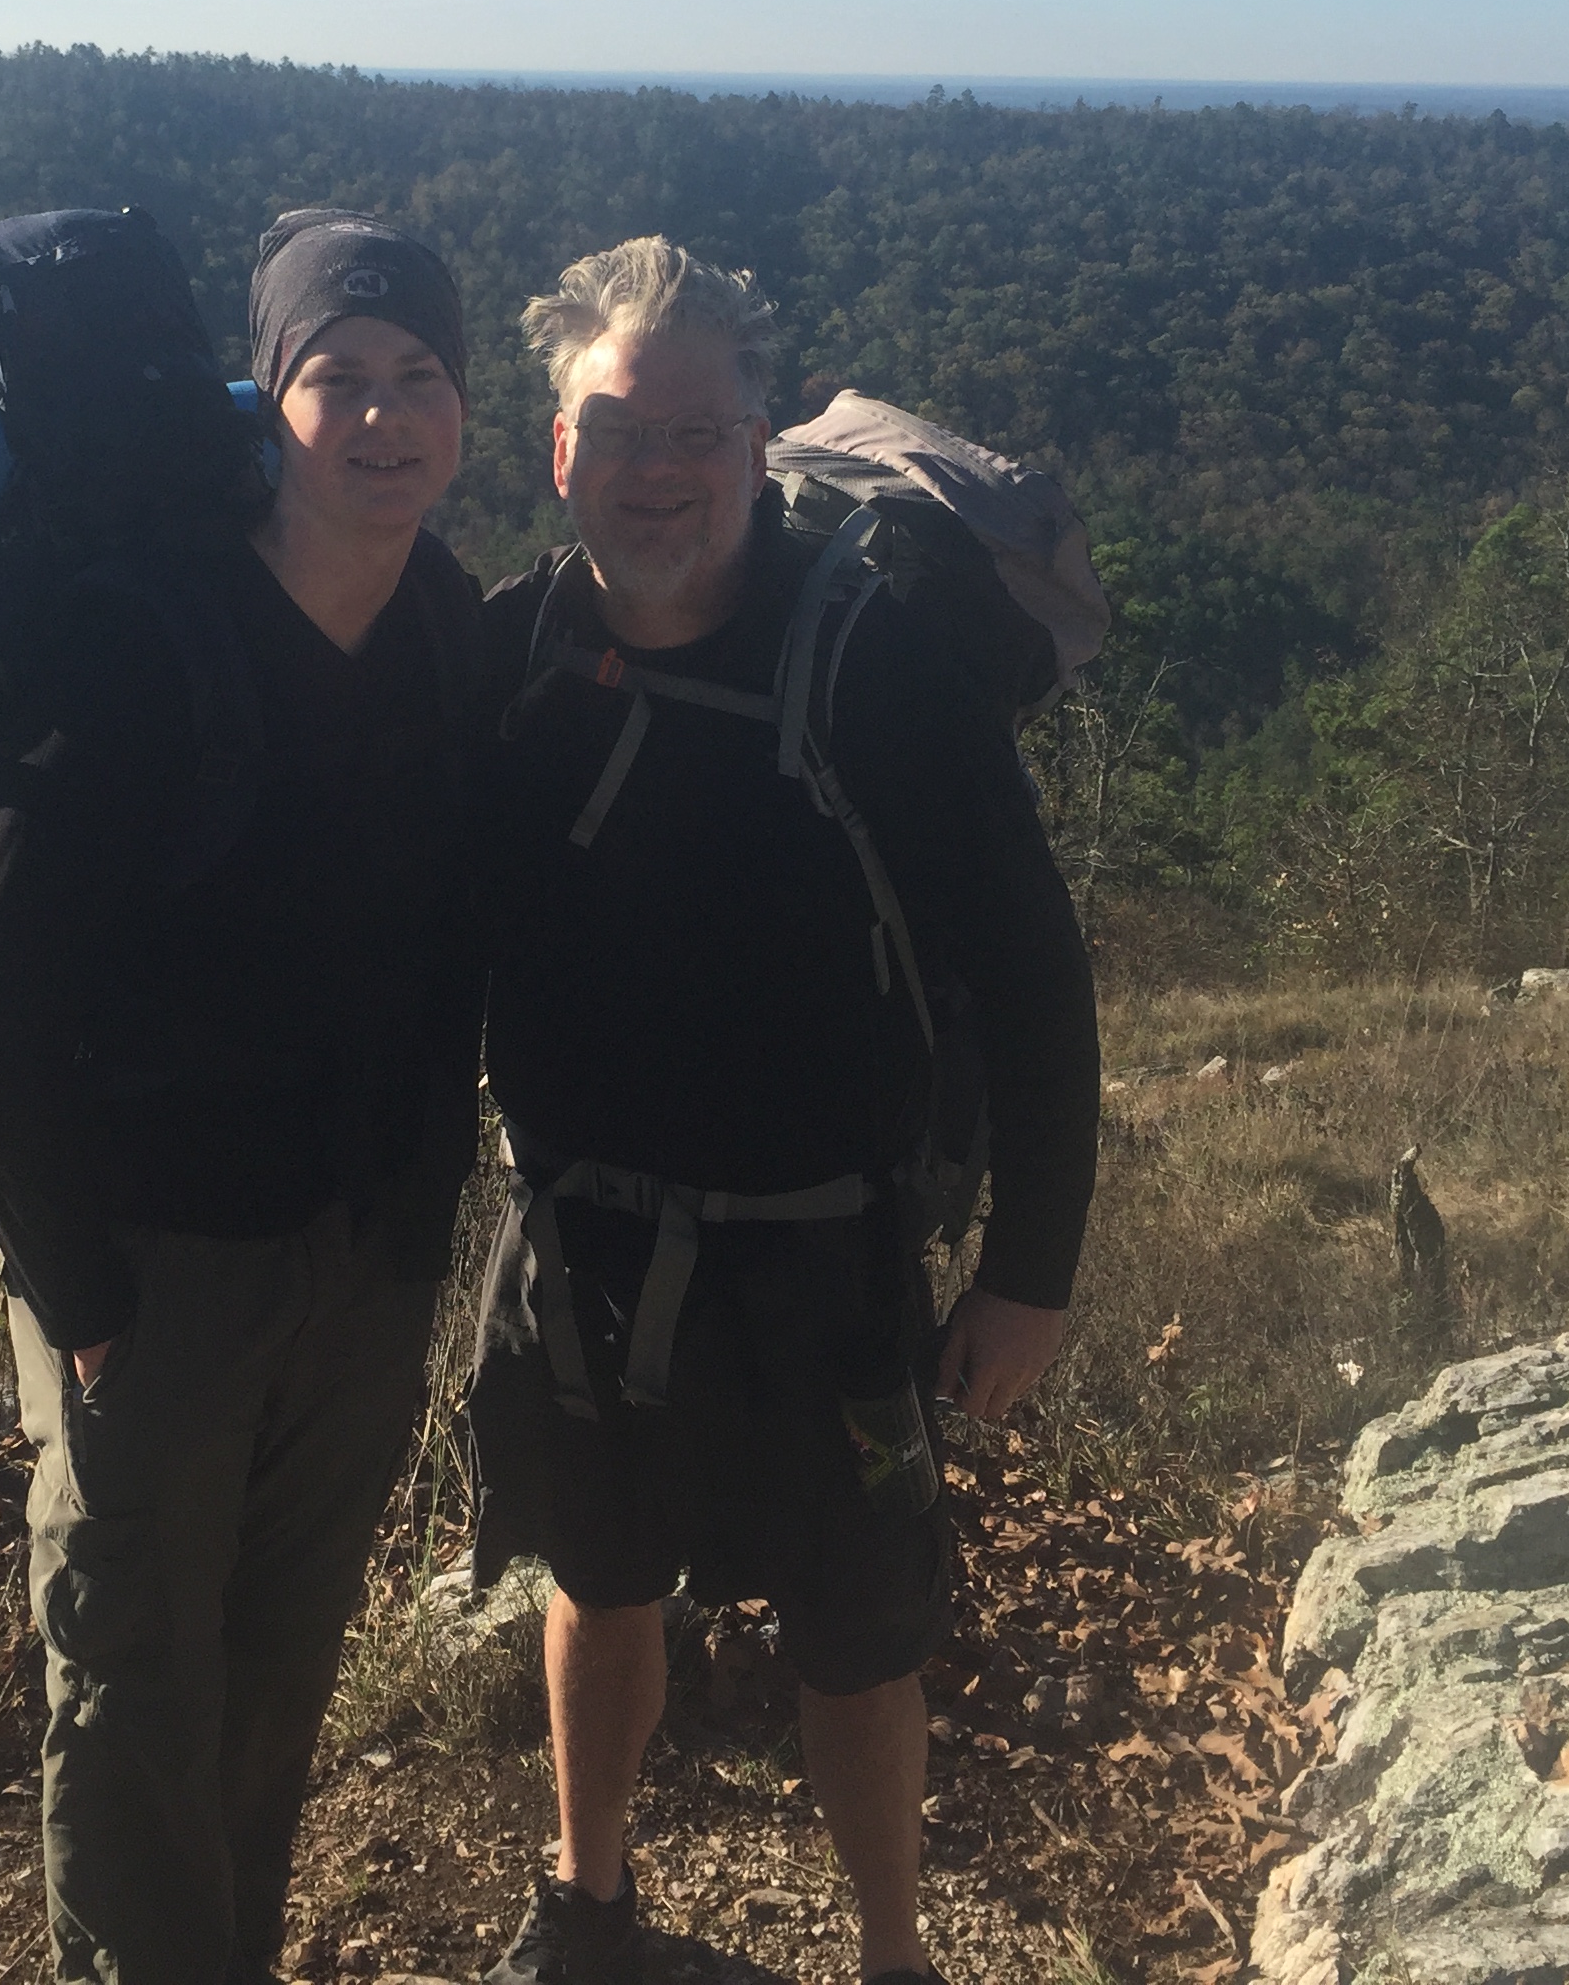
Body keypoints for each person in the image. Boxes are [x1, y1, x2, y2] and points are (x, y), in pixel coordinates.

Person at [465, 238, 1103, 1985]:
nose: (657, 468)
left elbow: (1038, 981)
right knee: (597, 1578)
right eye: (620, 425)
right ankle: (588, 1907)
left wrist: (1029, 1271)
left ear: (757, 446)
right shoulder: (512, 654)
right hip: (586, 1244)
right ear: (557, 448)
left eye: (699, 429)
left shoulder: (877, 666)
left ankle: (892, 1954)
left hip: (833, 1257)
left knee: (856, 1637)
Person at [0, 209, 485, 1985]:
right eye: (342, 378)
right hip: (156, 1274)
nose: (386, 417)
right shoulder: (147, 647)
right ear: (275, 393)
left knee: (271, 1680)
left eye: (422, 379)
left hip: (360, 1265)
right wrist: (86, 1300)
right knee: (133, 1695)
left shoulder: (447, 628)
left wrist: (418, 1237)